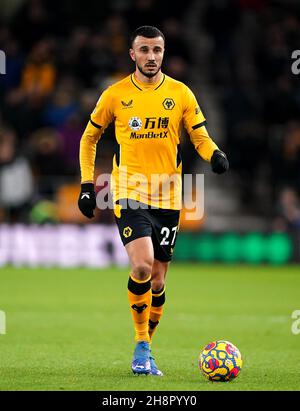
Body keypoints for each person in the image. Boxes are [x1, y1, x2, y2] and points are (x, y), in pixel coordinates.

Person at [78, 26, 229, 376]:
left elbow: (199, 135)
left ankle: (146, 347)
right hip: (129, 191)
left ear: (163, 53)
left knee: (158, 281)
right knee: (143, 266)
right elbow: (89, 138)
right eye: (144, 50)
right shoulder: (115, 95)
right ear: (133, 54)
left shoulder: (180, 93)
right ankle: (141, 347)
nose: (151, 56)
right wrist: (88, 185)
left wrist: (215, 154)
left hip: (169, 197)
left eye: (157, 50)